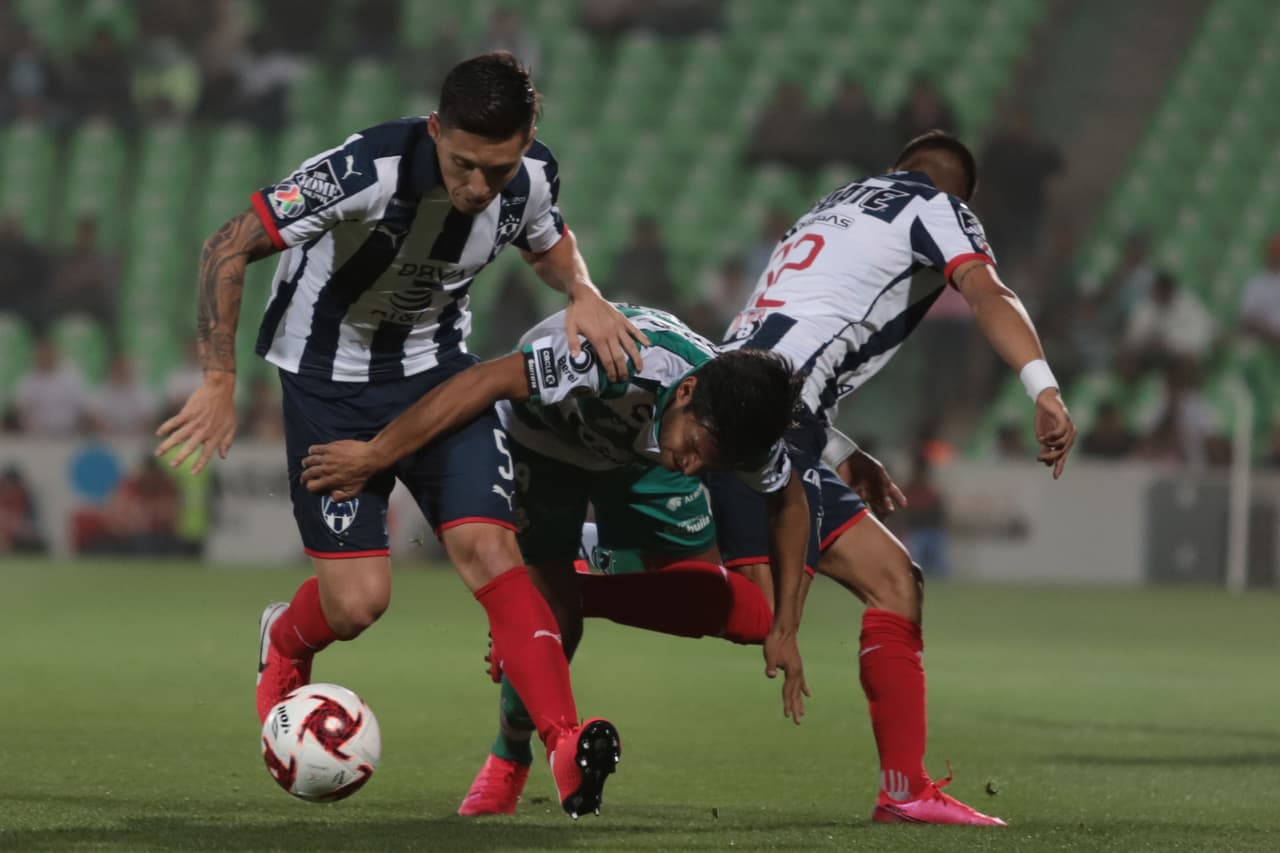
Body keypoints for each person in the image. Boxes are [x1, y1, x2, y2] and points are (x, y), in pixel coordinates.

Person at [154, 52, 645, 819]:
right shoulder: (364, 170)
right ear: (434, 129)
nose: (479, 187)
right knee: (356, 604)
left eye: (499, 168)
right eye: (463, 164)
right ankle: (284, 640)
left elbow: (550, 241)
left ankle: (563, 743)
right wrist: (220, 379)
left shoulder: (534, 178)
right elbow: (226, 246)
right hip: (328, 386)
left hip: (438, 374)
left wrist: (584, 290)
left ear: (527, 144)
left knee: (491, 549)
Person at [564, 131, 1076, 826]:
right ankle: (582, 571)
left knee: (892, 581)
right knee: (757, 610)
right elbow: (990, 294)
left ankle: (906, 789)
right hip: (774, 421)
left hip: (750, 398)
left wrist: (838, 451)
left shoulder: (830, 208)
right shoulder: (935, 207)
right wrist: (1042, 387)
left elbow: (796, 333)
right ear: (957, 197)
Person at [299, 304, 813, 815]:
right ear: (685, 392)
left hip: (637, 460)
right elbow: (486, 380)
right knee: (557, 621)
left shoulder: (729, 430)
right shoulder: (616, 358)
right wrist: (375, 454)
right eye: (700, 446)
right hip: (544, 444)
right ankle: (511, 753)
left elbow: (788, 504)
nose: (698, 466)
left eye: (716, 463)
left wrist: (788, 625)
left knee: (746, 613)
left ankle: (574, 584)